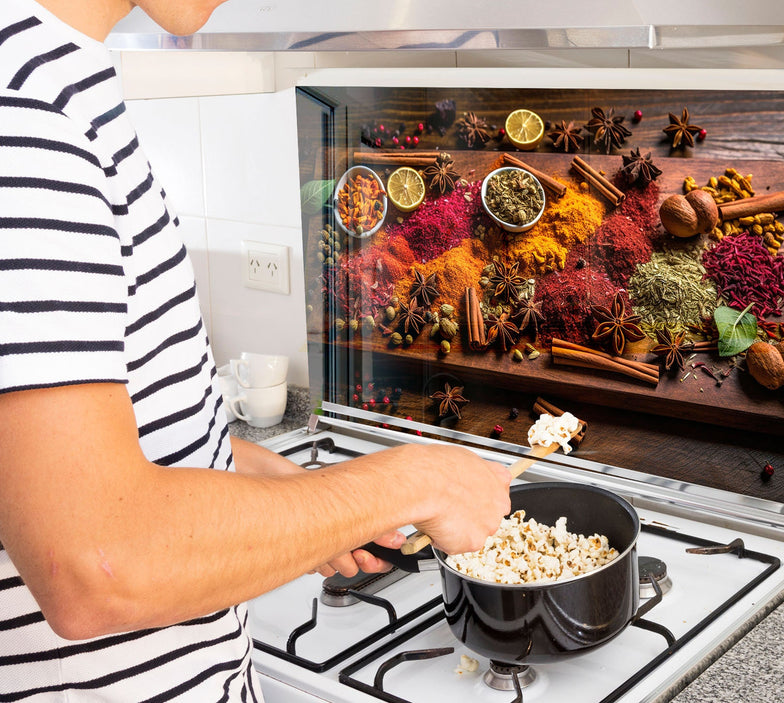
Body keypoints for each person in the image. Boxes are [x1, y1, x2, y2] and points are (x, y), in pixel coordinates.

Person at [0, 0, 512, 699]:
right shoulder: (24, 116)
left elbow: (93, 450)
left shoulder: (55, 79)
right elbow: (95, 562)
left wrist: (300, 499)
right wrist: (417, 480)